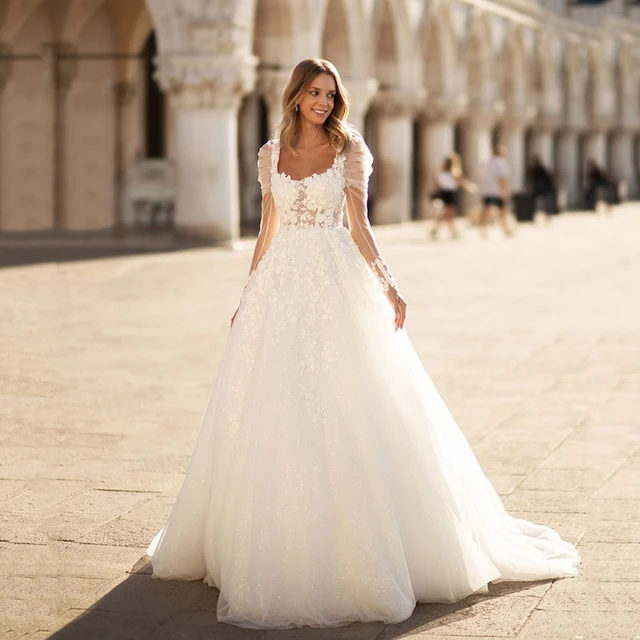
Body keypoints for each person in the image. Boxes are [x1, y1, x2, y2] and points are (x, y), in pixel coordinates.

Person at [147, 58, 579, 630]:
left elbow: (359, 223)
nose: (324, 102)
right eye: (314, 93)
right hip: (279, 287)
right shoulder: (270, 153)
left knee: (351, 399)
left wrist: (389, 284)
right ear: (296, 96)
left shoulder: (350, 150)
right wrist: (249, 291)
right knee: (270, 407)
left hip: (335, 280)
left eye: (331, 94)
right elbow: (267, 224)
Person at [429, 153, 476, 240]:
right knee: (448, 213)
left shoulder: (440, 172)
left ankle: (440, 229)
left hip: (444, 193)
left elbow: (436, 185)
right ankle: (449, 231)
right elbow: (462, 182)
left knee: (447, 213)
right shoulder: (455, 172)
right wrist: (471, 188)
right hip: (450, 194)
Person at [479, 144, 513, 237]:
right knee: (502, 210)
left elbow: (481, 176)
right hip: (498, 191)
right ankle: (505, 228)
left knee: (486, 210)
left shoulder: (486, 163)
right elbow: (502, 178)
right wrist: (505, 191)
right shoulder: (501, 163)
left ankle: (483, 230)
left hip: (487, 190)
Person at [527, 154, 558, 222]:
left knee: (538, 202)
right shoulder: (540, 169)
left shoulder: (535, 169)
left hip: (540, 187)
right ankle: (546, 216)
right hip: (542, 187)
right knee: (545, 203)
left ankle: (543, 216)